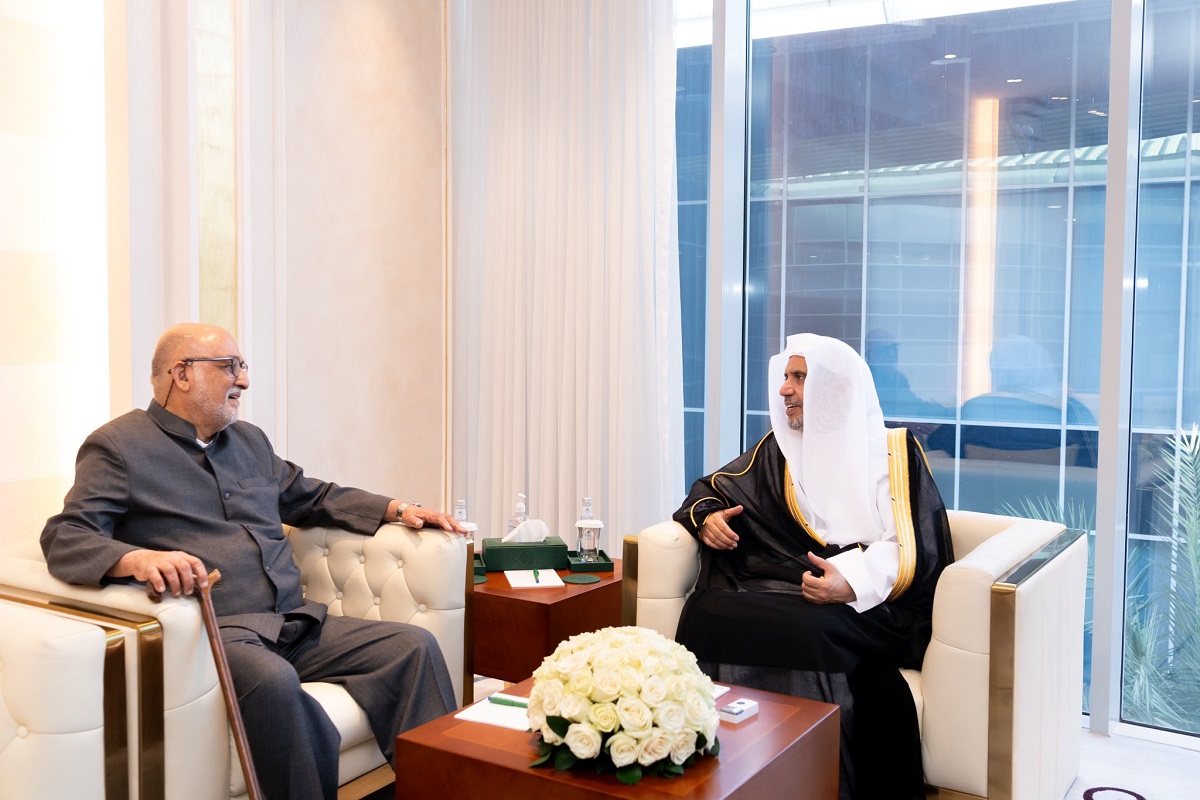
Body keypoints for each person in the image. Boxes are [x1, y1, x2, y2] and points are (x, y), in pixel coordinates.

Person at [41, 323, 464, 800]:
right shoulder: (118, 447)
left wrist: (399, 509)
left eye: (242, 367)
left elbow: (312, 496)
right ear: (181, 374)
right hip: (218, 633)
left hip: (295, 622)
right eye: (229, 367)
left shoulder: (249, 442)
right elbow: (65, 535)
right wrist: (134, 558)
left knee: (413, 647)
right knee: (273, 681)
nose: (243, 381)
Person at [673, 333, 953, 800]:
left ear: (836, 387)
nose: (784, 389)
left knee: (809, 627)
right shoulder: (778, 450)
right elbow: (711, 486)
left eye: (799, 378)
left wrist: (851, 582)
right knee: (707, 611)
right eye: (785, 377)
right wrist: (707, 519)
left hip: (870, 602)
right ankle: (717, 769)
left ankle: (815, 779)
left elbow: (909, 543)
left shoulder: (893, 452)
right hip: (789, 583)